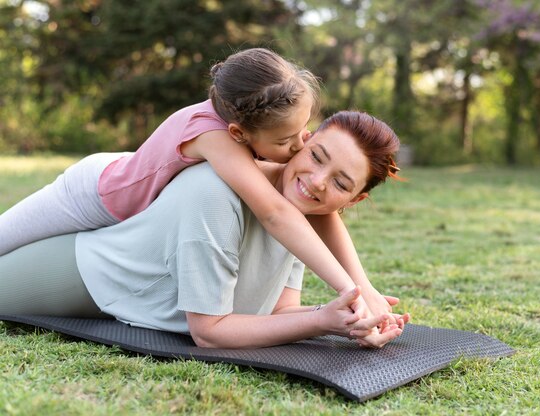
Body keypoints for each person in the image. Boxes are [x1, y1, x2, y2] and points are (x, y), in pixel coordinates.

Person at [0, 48, 396, 322]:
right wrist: (349, 291)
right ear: (241, 134)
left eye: (304, 130)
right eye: (285, 141)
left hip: (138, 205)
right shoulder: (216, 138)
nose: (300, 145)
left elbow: (324, 215)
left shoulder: (259, 126)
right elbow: (275, 213)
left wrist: (366, 288)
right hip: (93, 196)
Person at [0, 111, 409, 349]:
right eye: (317, 157)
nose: (318, 182)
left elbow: (279, 312)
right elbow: (209, 333)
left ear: (353, 199)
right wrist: (334, 312)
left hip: (134, 210)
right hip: (89, 259)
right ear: (302, 140)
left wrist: (349, 316)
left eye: (340, 183)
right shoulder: (216, 191)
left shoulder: (304, 217)